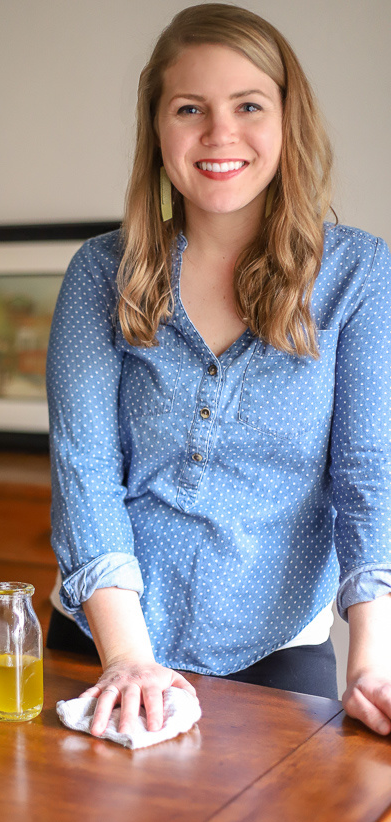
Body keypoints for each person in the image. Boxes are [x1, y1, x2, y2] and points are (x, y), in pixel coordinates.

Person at [46, 3, 391, 738]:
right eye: (190, 108)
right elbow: (85, 471)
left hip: (275, 659)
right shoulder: (98, 274)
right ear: (158, 129)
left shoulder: (359, 273)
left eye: (248, 105)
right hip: (104, 641)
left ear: (286, 120)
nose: (219, 134)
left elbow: (369, 475)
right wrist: (130, 660)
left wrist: (374, 657)